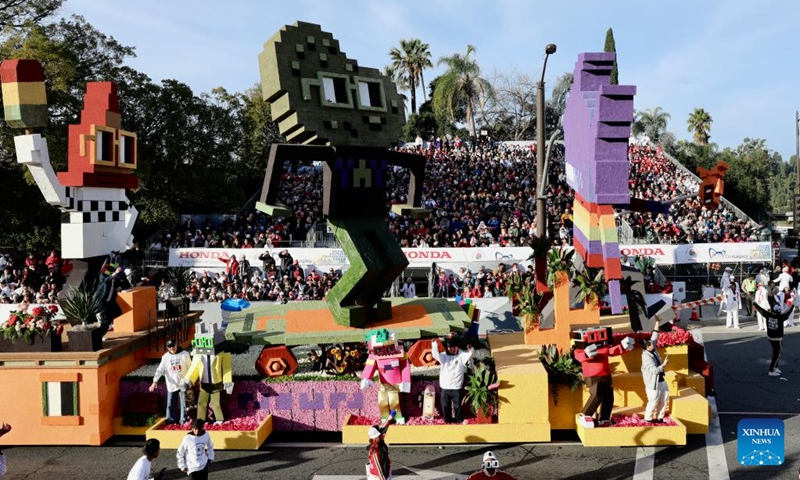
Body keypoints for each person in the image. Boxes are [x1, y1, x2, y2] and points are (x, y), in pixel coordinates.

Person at [431, 337, 474, 424]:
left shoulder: (461, 355)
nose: (450, 349)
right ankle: (448, 421)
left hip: (456, 386)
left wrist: (471, 349)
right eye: (449, 347)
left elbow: (470, 354)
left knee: (457, 406)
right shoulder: (443, 356)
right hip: (445, 386)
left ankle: (459, 420)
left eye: (453, 347)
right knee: (445, 406)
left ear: (457, 347)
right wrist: (434, 345)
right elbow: (435, 355)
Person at [150, 340, 192, 425]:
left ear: (176, 345)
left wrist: (190, 380)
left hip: (182, 384)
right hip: (171, 385)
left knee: (183, 404)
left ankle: (183, 421)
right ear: (167, 348)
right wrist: (154, 382)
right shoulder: (165, 357)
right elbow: (160, 369)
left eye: (173, 346)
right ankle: (171, 421)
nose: (172, 348)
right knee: (170, 404)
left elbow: (190, 368)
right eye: (169, 347)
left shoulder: (185, 354)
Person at [753, 303, 794, 377]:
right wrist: (792, 306)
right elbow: (788, 312)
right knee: (777, 353)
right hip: (778, 338)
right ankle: (771, 370)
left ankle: (776, 367)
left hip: (770, 337)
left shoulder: (768, 315)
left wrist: (754, 303)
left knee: (776, 352)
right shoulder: (781, 317)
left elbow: (760, 309)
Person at [641, 332, 669, 423]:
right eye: (652, 344)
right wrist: (664, 365)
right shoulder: (646, 357)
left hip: (661, 380)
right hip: (653, 383)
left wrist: (657, 323)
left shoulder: (652, 350)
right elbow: (655, 371)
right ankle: (648, 419)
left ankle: (659, 418)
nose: (654, 344)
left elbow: (654, 338)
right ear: (647, 347)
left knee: (664, 399)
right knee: (653, 401)